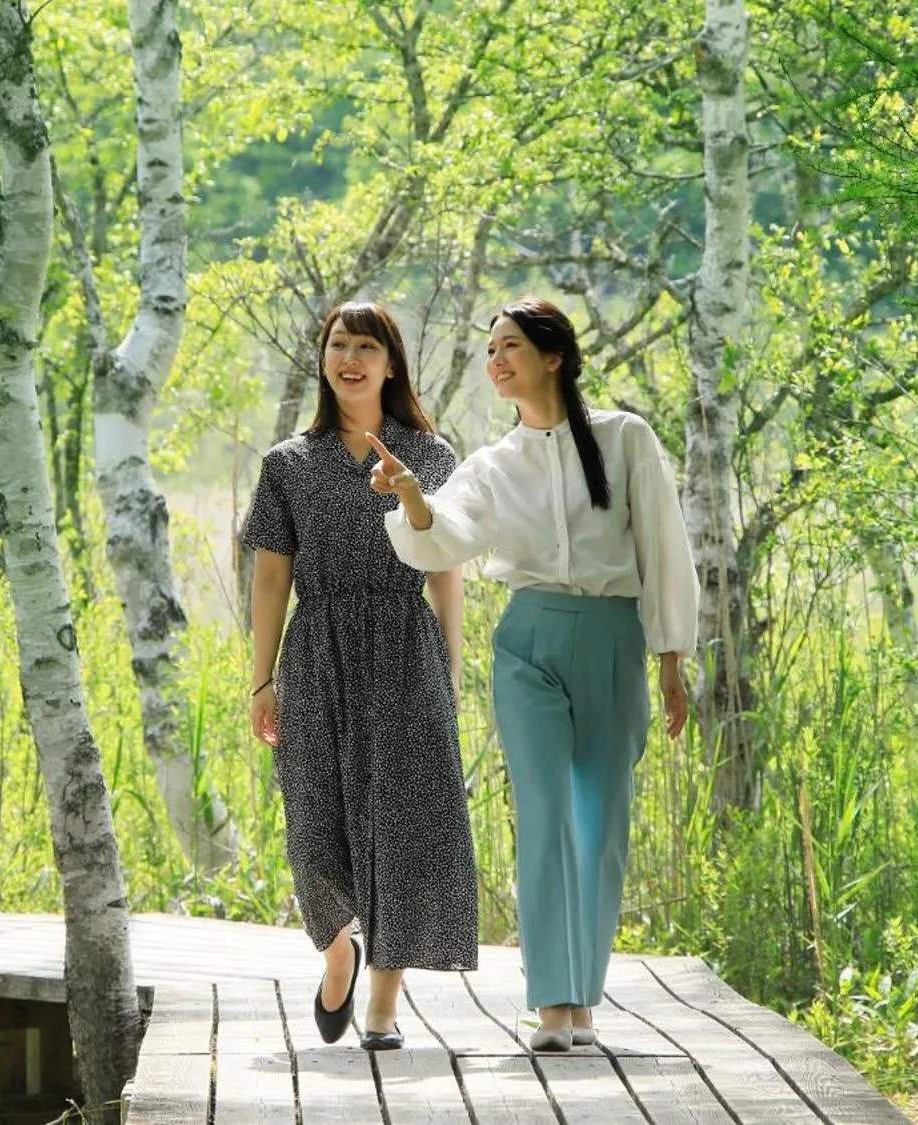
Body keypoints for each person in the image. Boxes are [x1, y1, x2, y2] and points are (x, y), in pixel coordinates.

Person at [368, 295, 696, 1052]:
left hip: (613, 636)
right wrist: (413, 496)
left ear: (553, 356)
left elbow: (662, 548)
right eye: (489, 350)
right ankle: (552, 1002)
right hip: (527, 642)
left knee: (600, 822)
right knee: (543, 813)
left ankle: (583, 1000)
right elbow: (442, 539)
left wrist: (670, 658)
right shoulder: (492, 463)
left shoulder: (624, 439)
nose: (496, 360)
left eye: (509, 345)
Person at [240, 300, 479, 1051]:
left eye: (366, 346)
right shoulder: (287, 463)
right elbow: (271, 575)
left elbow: (445, 568)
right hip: (315, 649)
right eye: (338, 344)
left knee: (404, 825)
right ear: (323, 359)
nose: (351, 357)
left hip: (405, 648)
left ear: (390, 362)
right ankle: (335, 944)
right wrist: (260, 678)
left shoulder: (430, 453)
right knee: (313, 821)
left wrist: (450, 668)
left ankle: (382, 1005)